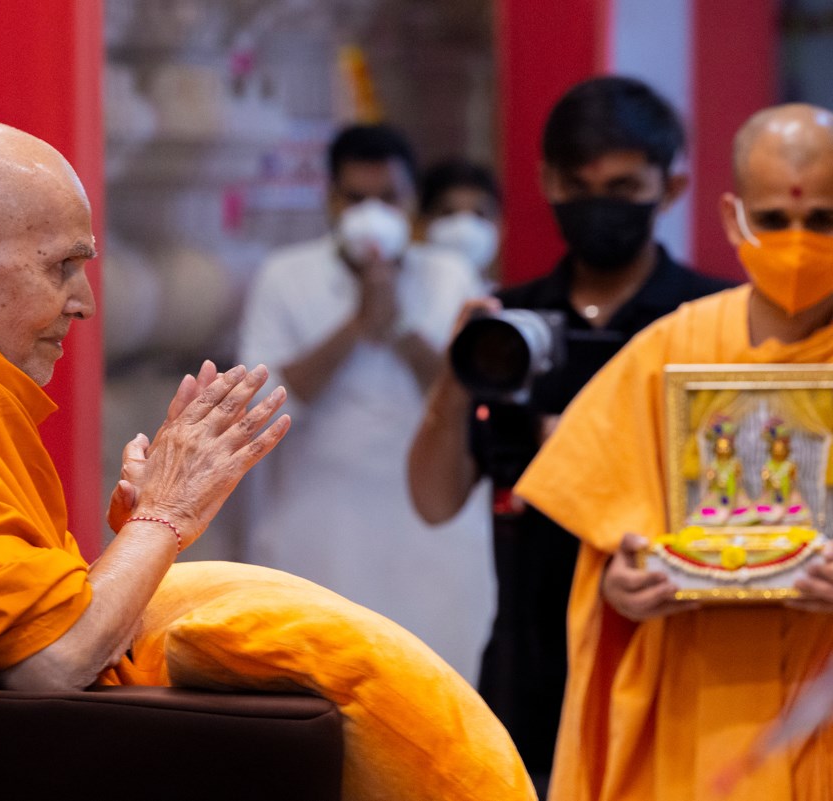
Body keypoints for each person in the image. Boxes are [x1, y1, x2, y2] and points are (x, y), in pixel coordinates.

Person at [0, 119, 535, 801]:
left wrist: (137, 536)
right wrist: (164, 516)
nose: (85, 301)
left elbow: (16, 627)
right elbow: (49, 660)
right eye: (62, 266)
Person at [407, 75, 734, 793]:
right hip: (528, 679)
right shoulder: (509, 327)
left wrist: (594, 452)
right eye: (579, 186)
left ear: (671, 185)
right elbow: (433, 500)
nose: (599, 206)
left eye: (623, 187)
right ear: (547, 181)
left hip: (680, 669)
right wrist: (457, 375)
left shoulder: (714, 321)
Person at [515, 102, 833, 800]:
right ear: (733, 218)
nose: (799, 242)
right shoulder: (670, 350)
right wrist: (620, 589)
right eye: (775, 218)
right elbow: (610, 556)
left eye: (822, 220)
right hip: (695, 704)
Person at [237, 123, 495, 681]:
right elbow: (262, 407)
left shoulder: (451, 275)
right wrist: (357, 324)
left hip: (434, 541)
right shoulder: (285, 276)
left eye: (389, 198)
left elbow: (469, 395)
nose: (373, 214)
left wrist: (399, 326)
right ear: (332, 200)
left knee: (441, 688)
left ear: (412, 202)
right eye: (357, 199)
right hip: (318, 531)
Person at [417, 157, 503, 285]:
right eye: (449, 213)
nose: (464, 227)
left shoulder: (509, 297)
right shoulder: (399, 295)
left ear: (500, 225)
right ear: (423, 222)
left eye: (479, 214)